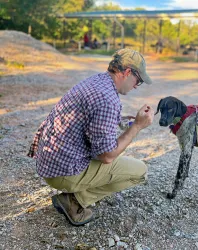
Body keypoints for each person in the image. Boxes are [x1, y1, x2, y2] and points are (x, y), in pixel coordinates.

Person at [28, 48, 154, 226]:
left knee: (120, 161)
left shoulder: (98, 81)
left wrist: (131, 122)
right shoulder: (107, 99)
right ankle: (75, 200)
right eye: (138, 80)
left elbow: (97, 119)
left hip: (49, 162)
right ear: (127, 72)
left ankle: (75, 195)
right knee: (140, 172)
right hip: (62, 172)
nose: (136, 85)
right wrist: (138, 127)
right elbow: (107, 156)